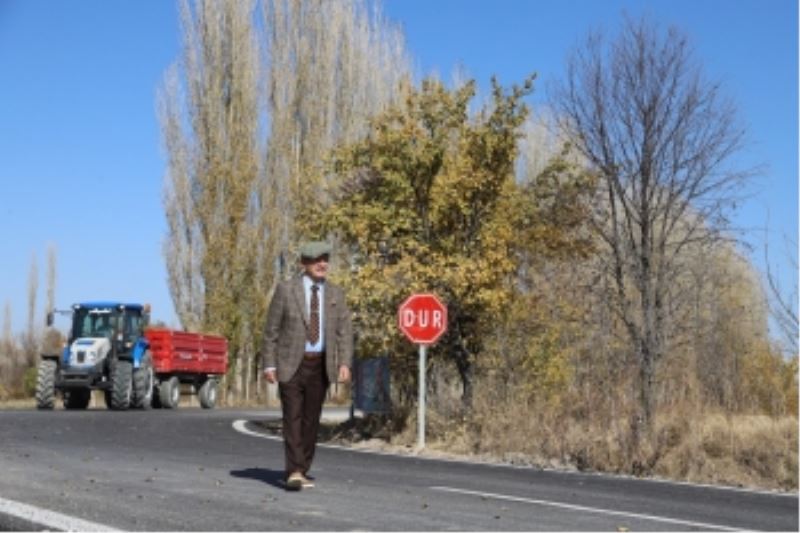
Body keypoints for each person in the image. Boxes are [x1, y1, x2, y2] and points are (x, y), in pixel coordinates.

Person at [261, 241, 353, 491]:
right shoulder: (286, 290)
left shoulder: (335, 294)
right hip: (291, 364)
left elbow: (344, 332)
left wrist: (344, 362)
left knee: (312, 420)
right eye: (316, 260)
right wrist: (269, 364)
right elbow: (271, 331)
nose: (322, 264)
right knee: (293, 417)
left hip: (321, 365)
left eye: (325, 259)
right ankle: (294, 470)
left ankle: (303, 467)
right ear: (304, 263)